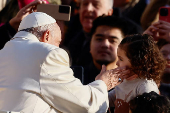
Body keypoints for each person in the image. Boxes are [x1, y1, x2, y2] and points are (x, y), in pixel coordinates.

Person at [0, 11, 122, 113]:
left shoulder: (3, 52)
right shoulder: (47, 54)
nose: (58, 48)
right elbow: (84, 105)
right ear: (47, 35)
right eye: (58, 42)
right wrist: (103, 83)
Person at [108, 34, 166, 113]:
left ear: (137, 62)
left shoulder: (145, 86)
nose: (117, 63)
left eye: (121, 59)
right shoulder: (124, 80)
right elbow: (111, 97)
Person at [63, 0, 114, 66]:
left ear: (109, 12)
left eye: (96, 5)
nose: (88, 9)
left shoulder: (119, 41)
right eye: (85, 4)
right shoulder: (69, 34)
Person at [82, 15, 128, 85]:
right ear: (90, 43)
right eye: (99, 39)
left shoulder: (131, 82)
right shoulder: (74, 78)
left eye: (112, 41)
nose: (105, 45)